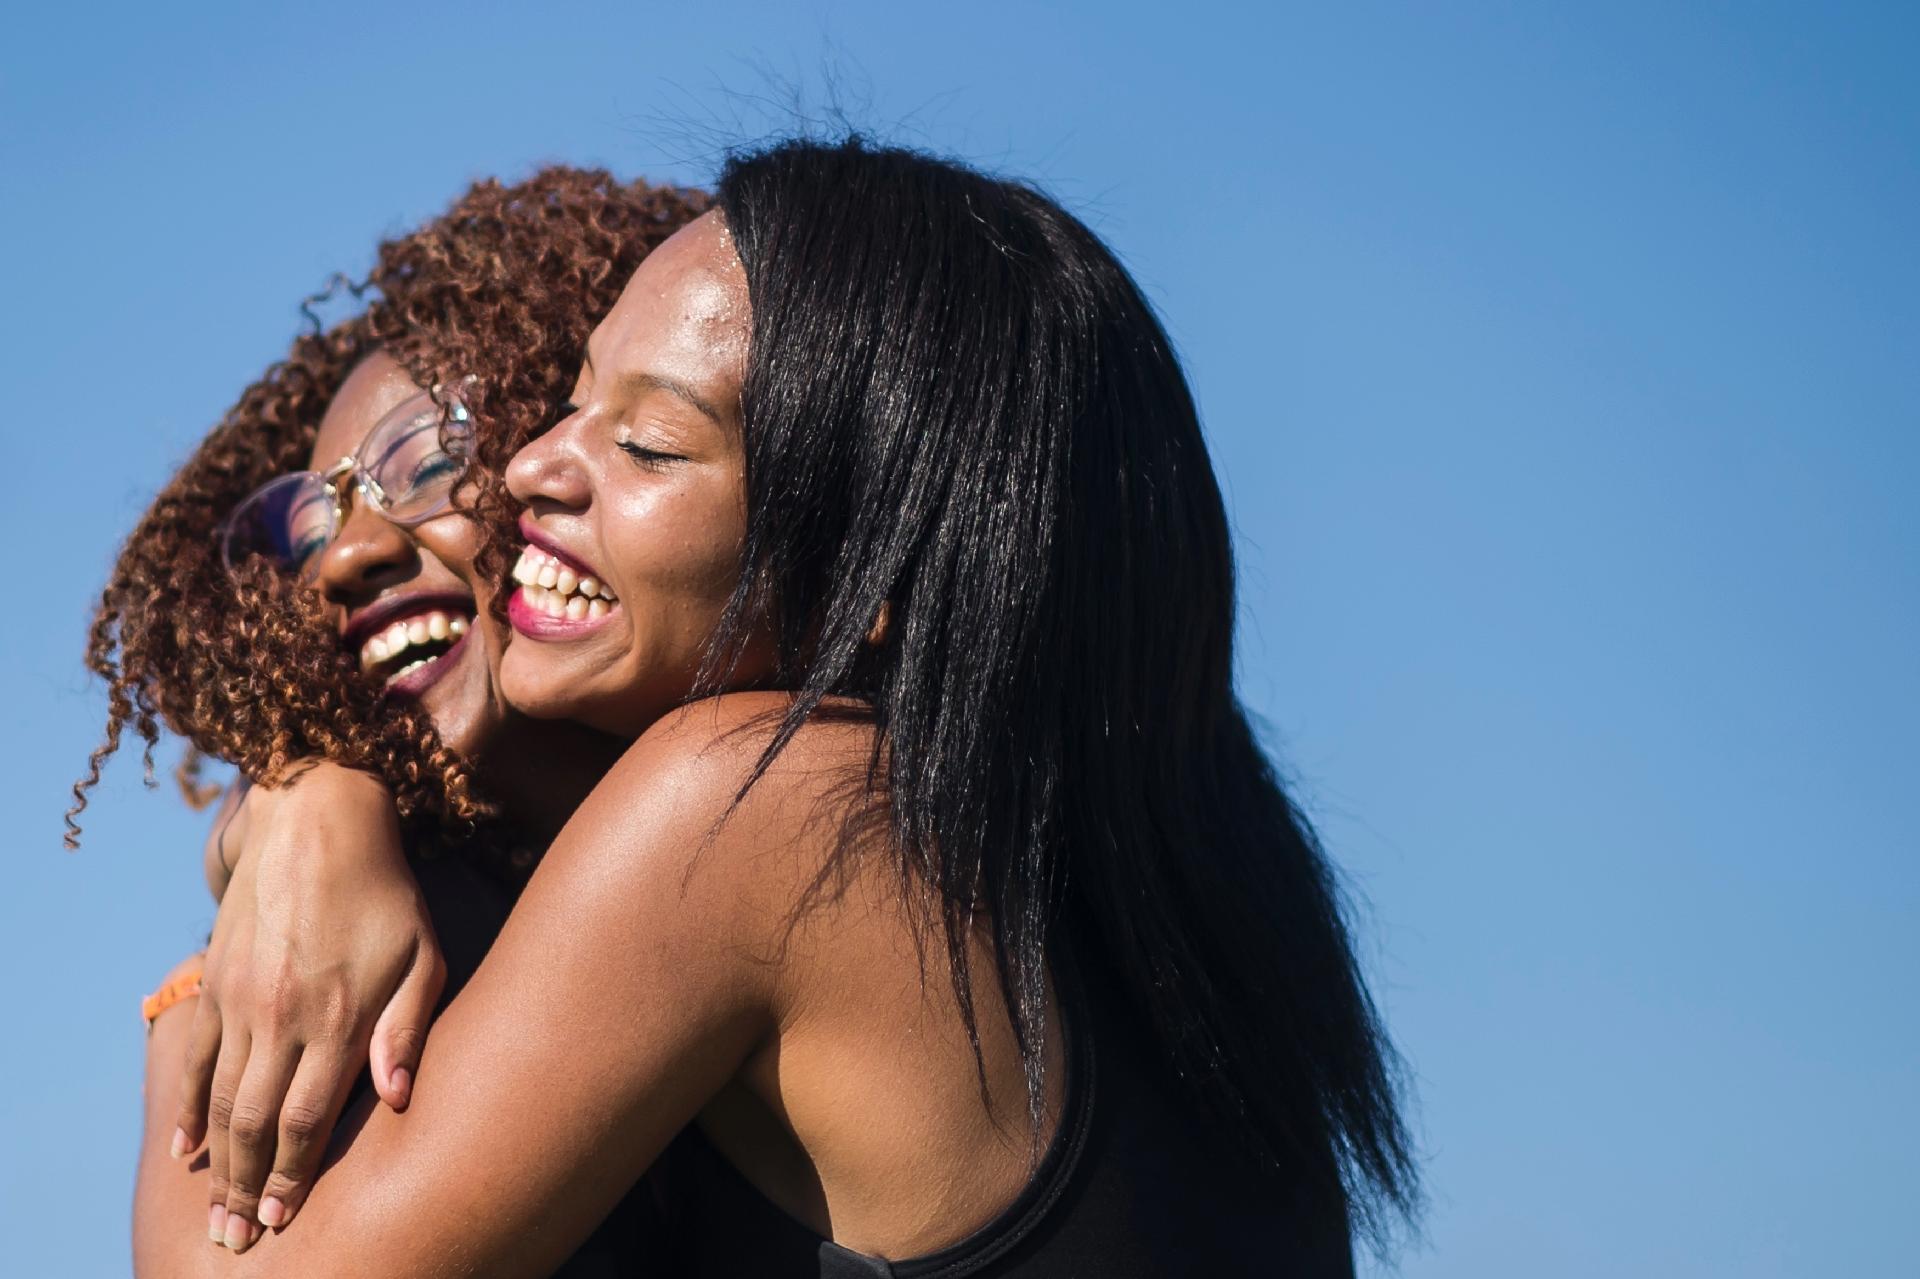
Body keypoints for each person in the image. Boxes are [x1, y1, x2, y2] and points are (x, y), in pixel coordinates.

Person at [131, 137, 1417, 1277]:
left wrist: (221, 952)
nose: (534, 466)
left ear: (880, 573)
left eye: (647, 445)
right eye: (572, 398)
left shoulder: (764, 801)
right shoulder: (1114, 895)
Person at [75, 168, 707, 1266]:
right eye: (306, 528)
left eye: (427, 461)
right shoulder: (316, 966)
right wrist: (299, 796)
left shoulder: (800, 795)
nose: (350, 554)